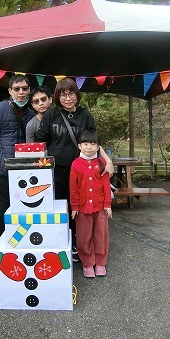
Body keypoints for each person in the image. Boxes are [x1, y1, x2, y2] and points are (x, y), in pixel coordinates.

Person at [35, 78, 114, 262]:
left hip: (82, 171)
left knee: (80, 208)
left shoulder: (85, 115)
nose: (67, 98)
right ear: (57, 97)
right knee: (60, 207)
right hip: (57, 171)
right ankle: (63, 242)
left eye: (71, 94)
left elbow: (94, 142)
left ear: (77, 95)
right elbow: (40, 142)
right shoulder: (51, 114)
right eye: (63, 95)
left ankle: (81, 244)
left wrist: (108, 161)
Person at [0, 74, 35, 246]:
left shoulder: (32, 112)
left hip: (23, 171)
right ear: (10, 91)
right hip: (0, 169)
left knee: (22, 207)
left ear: (29, 90)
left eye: (24, 88)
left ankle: (17, 244)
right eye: (17, 89)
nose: (21, 92)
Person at [69, 130, 112, 278]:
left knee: (101, 236)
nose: (89, 147)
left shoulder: (102, 163)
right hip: (82, 208)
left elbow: (106, 185)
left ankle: (100, 262)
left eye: (93, 144)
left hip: (100, 208)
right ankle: (87, 263)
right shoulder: (76, 164)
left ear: (98, 147)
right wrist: (74, 206)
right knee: (84, 236)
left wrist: (107, 204)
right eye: (85, 144)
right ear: (79, 146)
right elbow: (73, 187)